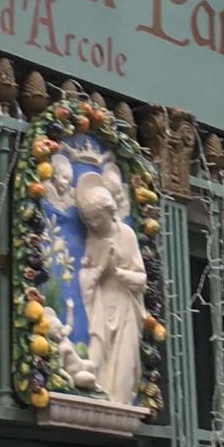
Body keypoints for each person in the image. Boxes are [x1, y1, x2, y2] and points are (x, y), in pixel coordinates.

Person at [73, 171, 146, 406]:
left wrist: (117, 272)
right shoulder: (93, 241)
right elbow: (86, 275)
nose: (93, 224)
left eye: (97, 218)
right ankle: (100, 394)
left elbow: (142, 279)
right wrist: (98, 272)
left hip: (125, 306)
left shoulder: (127, 235)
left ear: (109, 212)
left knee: (125, 359)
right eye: (89, 220)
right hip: (101, 308)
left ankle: (121, 401)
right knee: (99, 354)